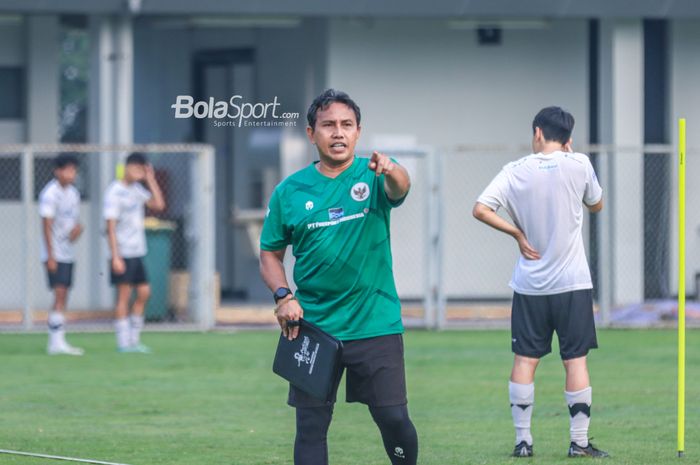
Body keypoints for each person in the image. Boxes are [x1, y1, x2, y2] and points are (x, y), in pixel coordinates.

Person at [259, 89, 417, 465]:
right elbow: (270, 253)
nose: (338, 133)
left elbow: (401, 187)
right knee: (311, 426)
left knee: (393, 417)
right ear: (311, 133)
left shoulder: (374, 174)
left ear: (358, 132)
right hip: (313, 326)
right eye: (328, 125)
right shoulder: (290, 191)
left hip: (375, 322)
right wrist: (283, 296)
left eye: (347, 125)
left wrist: (393, 168)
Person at [473, 106, 609, 458]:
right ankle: (579, 443)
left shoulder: (514, 170)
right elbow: (597, 205)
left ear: (537, 133)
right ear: (568, 138)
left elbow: (481, 209)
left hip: (530, 285)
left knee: (524, 360)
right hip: (572, 284)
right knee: (575, 360)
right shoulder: (579, 163)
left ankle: (523, 442)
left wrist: (517, 233)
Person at [103, 153, 165, 353]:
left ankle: (134, 339)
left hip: (138, 251)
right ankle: (123, 342)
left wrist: (151, 179)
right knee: (124, 295)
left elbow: (158, 205)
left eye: (142, 169)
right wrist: (115, 256)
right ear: (127, 168)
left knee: (144, 292)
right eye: (136, 168)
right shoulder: (114, 192)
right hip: (122, 252)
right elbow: (110, 227)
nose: (139, 172)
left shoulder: (137, 190)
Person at [39, 154, 84, 356]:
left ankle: (59, 340)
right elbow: (46, 226)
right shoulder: (50, 193)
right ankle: (55, 342)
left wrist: (76, 232)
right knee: (59, 293)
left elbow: (70, 227)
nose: (71, 174)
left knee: (64, 294)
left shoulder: (73, 194)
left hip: (67, 252)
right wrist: (50, 255)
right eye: (67, 170)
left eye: (74, 170)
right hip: (54, 253)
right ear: (57, 171)